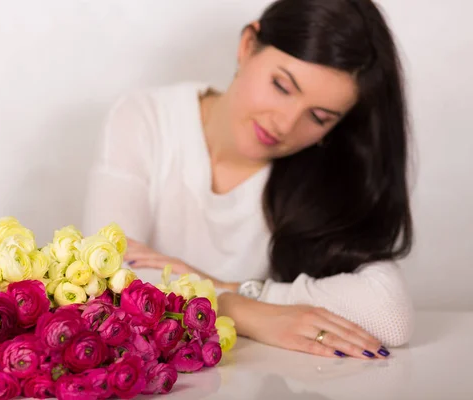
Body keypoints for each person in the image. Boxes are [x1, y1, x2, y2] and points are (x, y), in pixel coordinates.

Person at [82, 0, 414, 360]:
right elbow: (106, 280)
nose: (284, 124)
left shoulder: (329, 173)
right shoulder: (145, 120)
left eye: (318, 117)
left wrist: (232, 289)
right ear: (246, 46)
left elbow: (390, 315)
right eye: (282, 87)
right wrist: (238, 310)